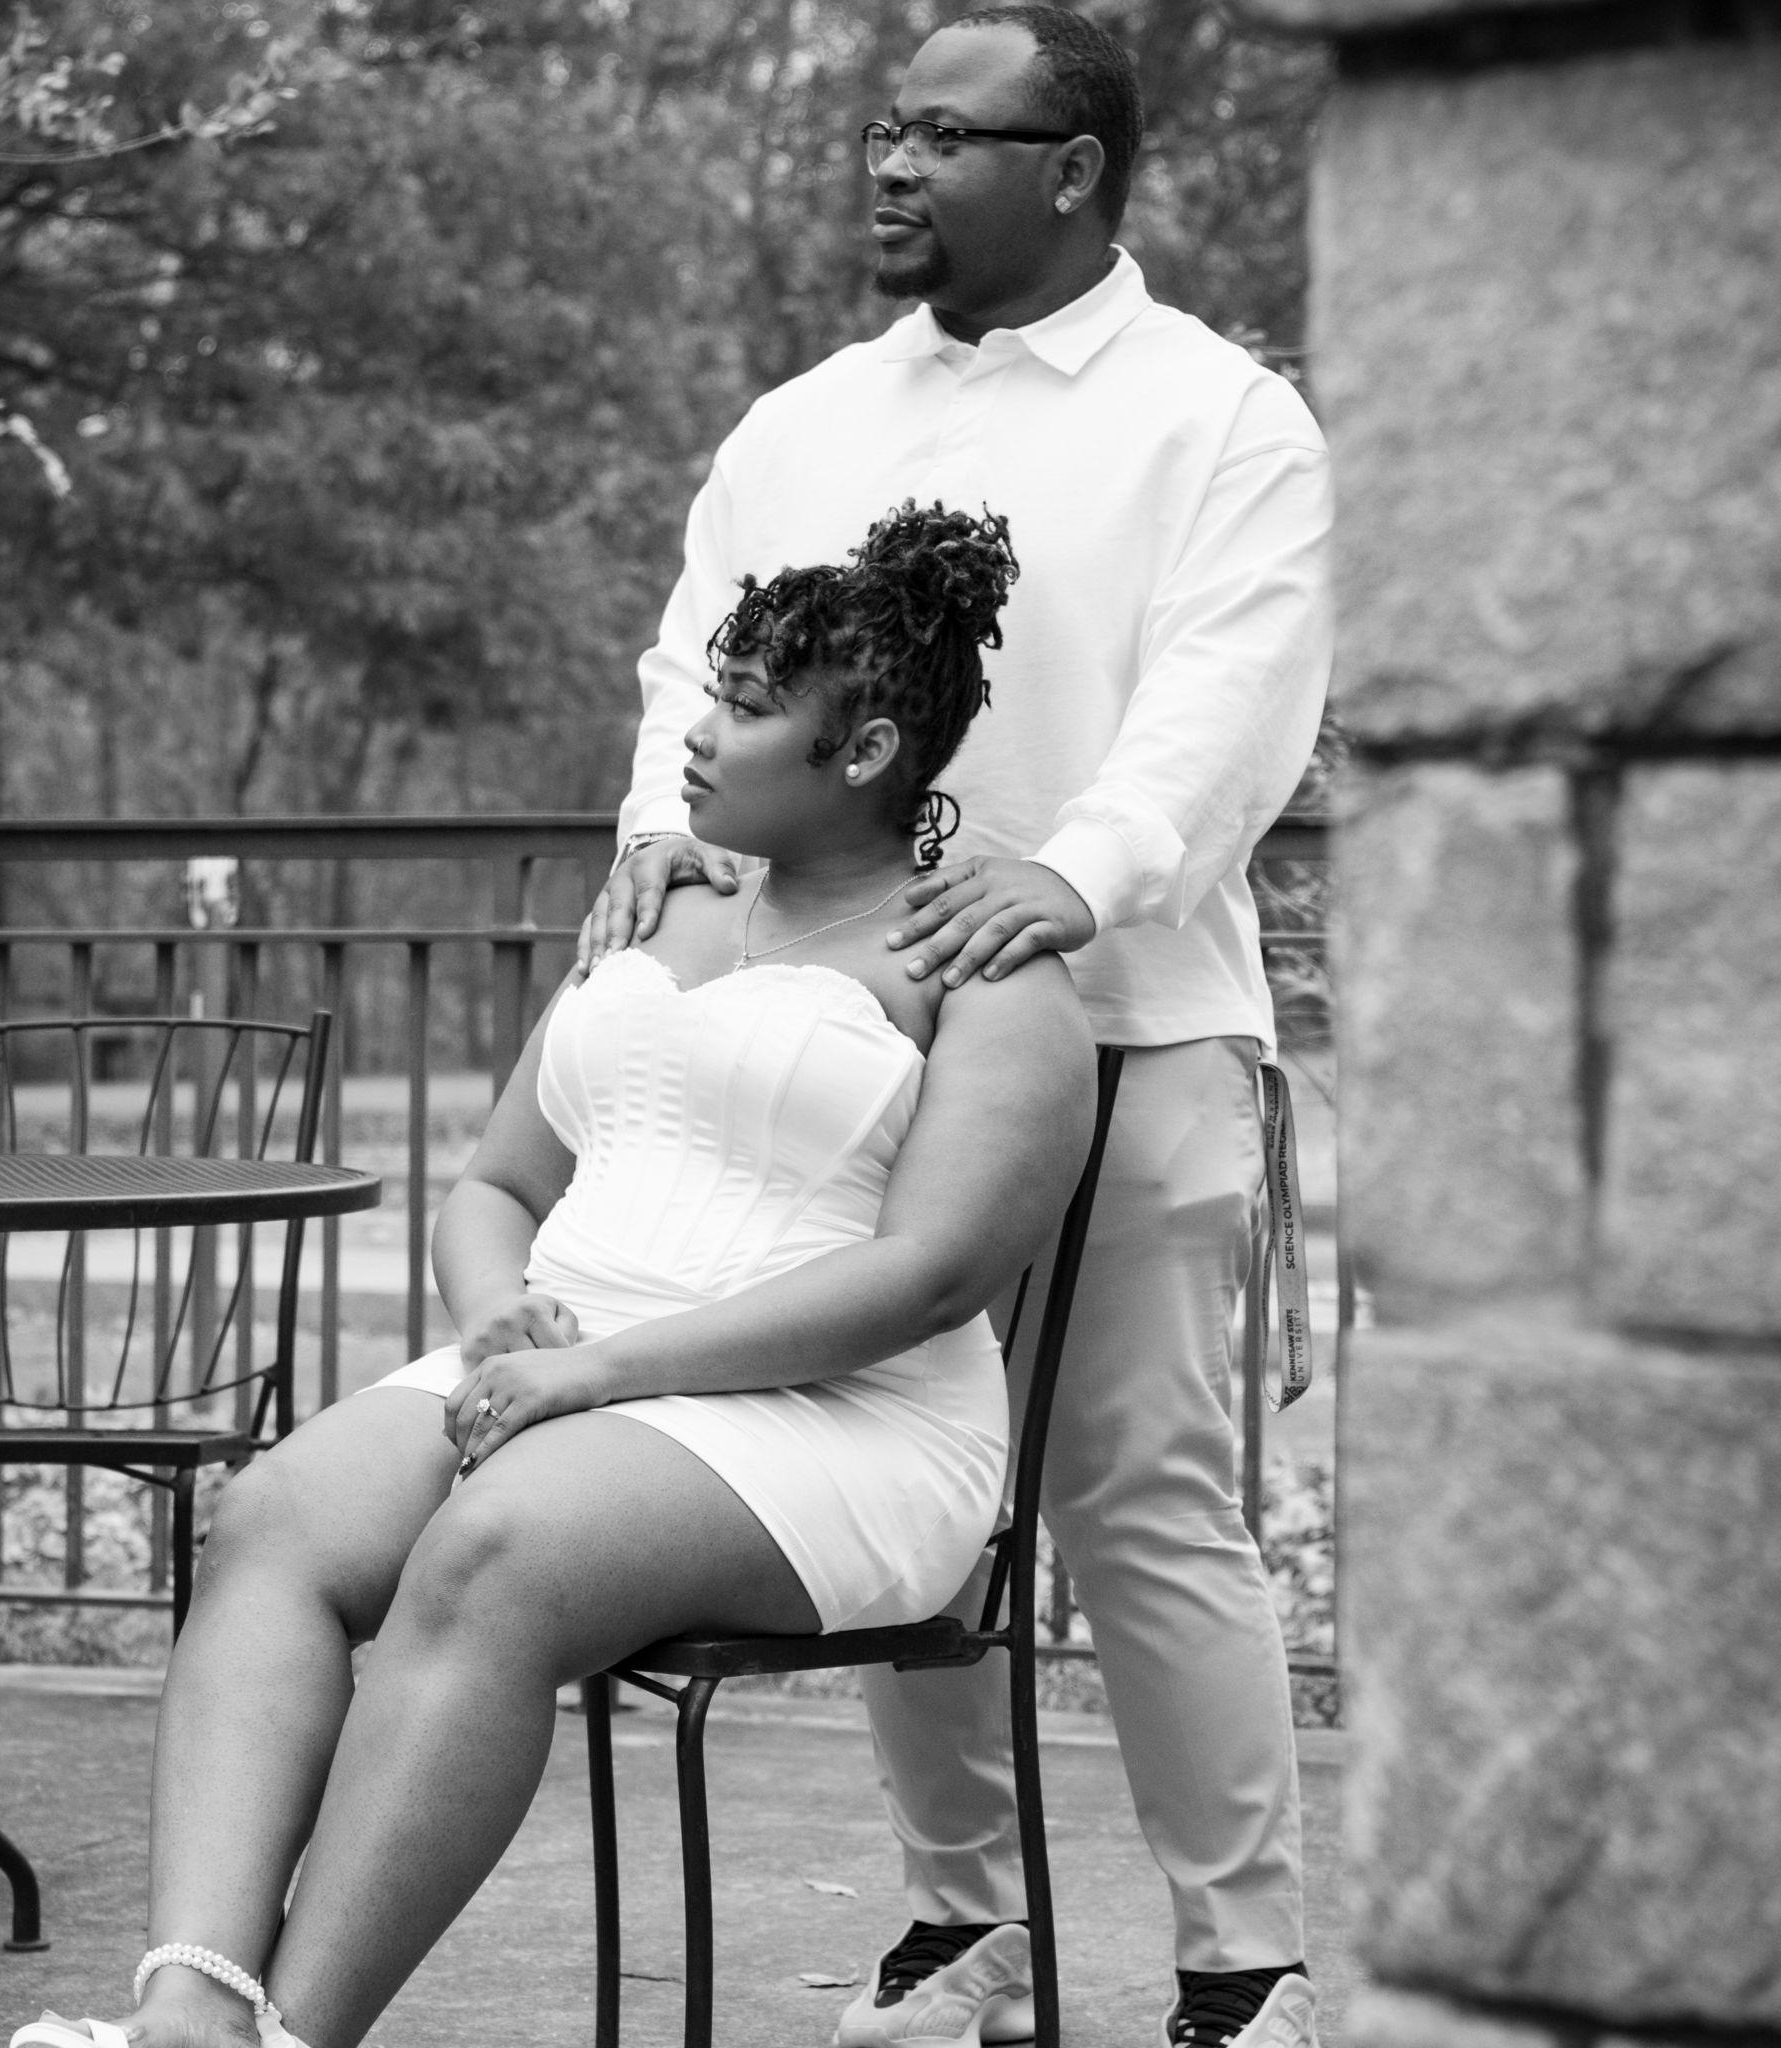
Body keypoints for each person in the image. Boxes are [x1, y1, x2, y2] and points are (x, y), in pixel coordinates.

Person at [8, 504, 1096, 2048]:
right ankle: (190, 2011)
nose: (697, 735)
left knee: (495, 1549)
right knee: (269, 1519)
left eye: (744, 708)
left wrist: (590, 1376)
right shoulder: (658, 904)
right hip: (556, 1370)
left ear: (863, 753)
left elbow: (925, 1280)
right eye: (710, 694)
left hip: (840, 1422)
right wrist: (497, 1318)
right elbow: (498, 1185)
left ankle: (291, 2041)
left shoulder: (982, 968)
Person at [583, 11, 1333, 2048]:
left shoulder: (1219, 417)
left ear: (1072, 165)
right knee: (904, 1474)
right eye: (883, 127)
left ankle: (1246, 1967)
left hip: (1134, 1026)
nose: (891, 163)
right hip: (853, 1044)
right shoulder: (804, 421)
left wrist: (1074, 872)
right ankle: (963, 1933)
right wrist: (658, 835)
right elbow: (696, 670)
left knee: (1141, 1494)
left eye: (942, 132)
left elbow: (1232, 697)